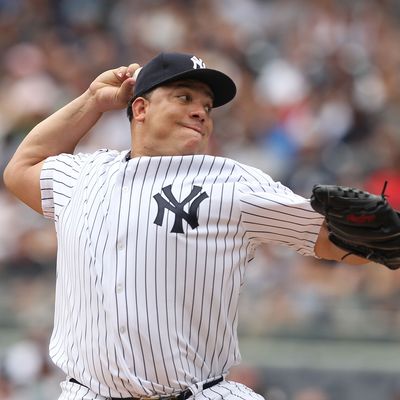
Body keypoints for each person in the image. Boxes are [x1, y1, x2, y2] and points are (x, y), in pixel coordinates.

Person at [3, 52, 367, 400]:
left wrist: (376, 237)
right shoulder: (84, 174)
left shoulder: (231, 181)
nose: (201, 112)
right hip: (88, 392)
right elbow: (20, 169)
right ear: (141, 108)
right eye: (184, 97)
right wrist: (92, 101)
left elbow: (331, 239)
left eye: (207, 106)